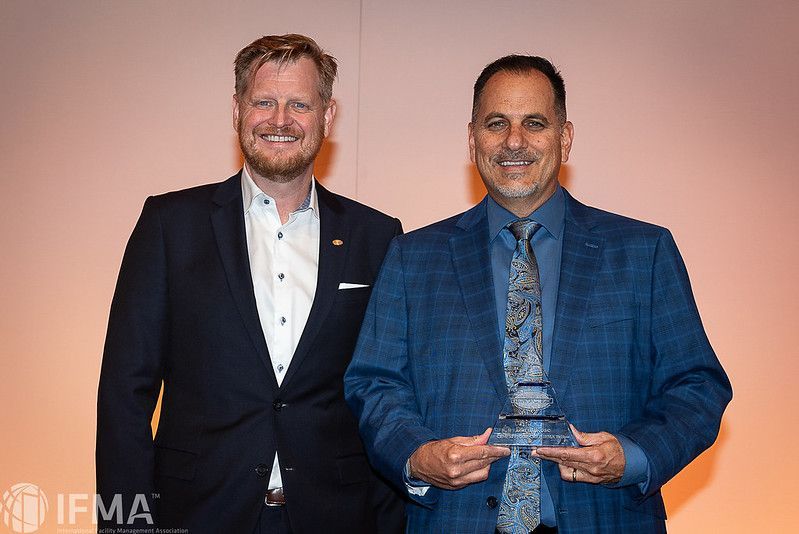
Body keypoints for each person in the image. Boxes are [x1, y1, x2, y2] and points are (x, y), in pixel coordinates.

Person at [344, 55, 731, 533]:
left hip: (606, 519)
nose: (514, 141)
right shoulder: (412, 257)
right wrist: (416, 455)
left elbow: (697, 386)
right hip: (455, 520)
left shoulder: (643, 252)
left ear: (565, 138)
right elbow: (374, 384)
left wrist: (632, 456)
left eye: (534, 123)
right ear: (472, 139)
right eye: (496, 123)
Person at [96, 34, 405, 533]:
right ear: (237, 109)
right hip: (197, 514)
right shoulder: (169, 225)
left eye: (299, 104)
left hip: (336, 517)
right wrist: (125, 527)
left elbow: (389, 391)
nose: (280, 120)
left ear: (326, 117)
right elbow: (123, 394)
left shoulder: (378, 237)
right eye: (264, 101)